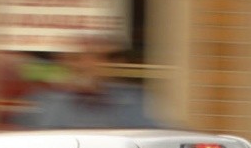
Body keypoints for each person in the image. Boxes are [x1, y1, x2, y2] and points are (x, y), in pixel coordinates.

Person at [14, 36, 159, 130]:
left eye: (95, 58)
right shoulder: (43, 103)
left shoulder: (135, 101)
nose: (83, 66)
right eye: (74, 58)